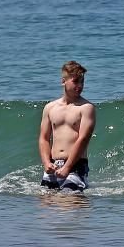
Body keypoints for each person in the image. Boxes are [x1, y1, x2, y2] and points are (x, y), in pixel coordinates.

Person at [39, 61, 96, 191]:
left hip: (75, 165)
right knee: (46, 205)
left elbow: (84, 138)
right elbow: (44, 138)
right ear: (63, 81)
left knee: (68, 202)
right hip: (54, 166)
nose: (80, 86)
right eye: (76, 81)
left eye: (82, 82)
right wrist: (47, 163)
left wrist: (67, 167)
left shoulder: (86, 108)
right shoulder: (50, 108)